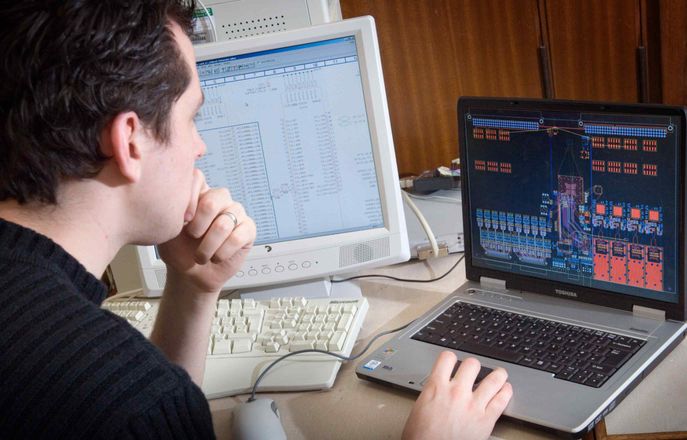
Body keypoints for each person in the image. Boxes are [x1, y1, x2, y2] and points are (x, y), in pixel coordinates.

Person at [0, 1, 512, 439]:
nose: (199, 146)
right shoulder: (127, 399)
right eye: (191, 117)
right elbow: (145, 406)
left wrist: (193, 287)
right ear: (129, 140)